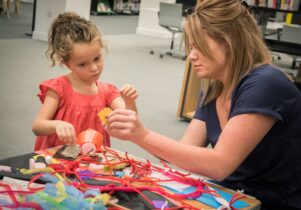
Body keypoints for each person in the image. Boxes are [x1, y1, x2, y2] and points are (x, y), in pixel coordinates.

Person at [106, 0, 301, 209]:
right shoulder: (215, 90)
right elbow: (182, 151)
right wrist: (135, 126)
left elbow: (219, 165)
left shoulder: (266, 83)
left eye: (198, 46)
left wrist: (141, 135)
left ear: (229, 42)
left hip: (273, 202)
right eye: (190, 47)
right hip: (230, 196)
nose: (191, 56)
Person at [32, 12, 138, 151]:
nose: (94, 68)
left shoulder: (108, 92)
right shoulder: (59, 88)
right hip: (58, 160)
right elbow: (37, 126)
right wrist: (56, 125)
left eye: (97, 58)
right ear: (67, 63)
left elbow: (130, 121)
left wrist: (130, 103)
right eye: (82, 64)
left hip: (92, 162)